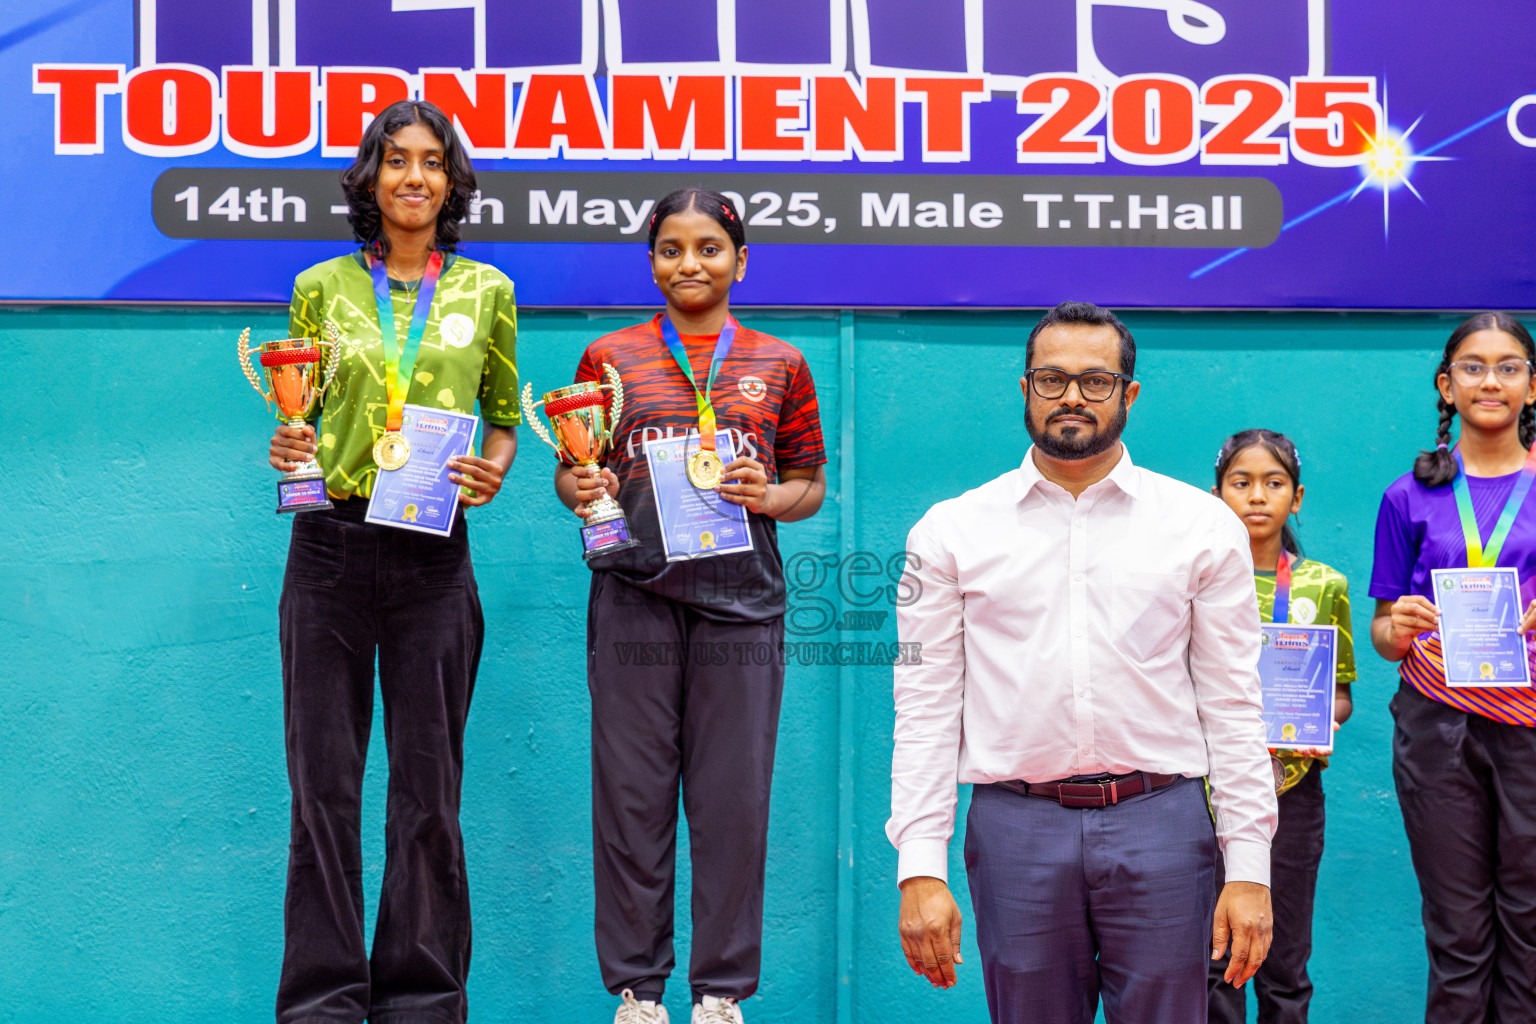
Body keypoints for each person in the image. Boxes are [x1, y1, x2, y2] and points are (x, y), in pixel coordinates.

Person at [889, 301, 1278, 1024]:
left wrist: (1249, 868)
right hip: (1015, 828)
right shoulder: (950, 530)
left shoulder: (1201, 526)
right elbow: (925, 706)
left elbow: (1233, 702)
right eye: (1051, 379)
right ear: (1024, 388)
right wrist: (920, 864)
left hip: (1162, 821)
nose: (1071, 396)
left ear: (1128, 395)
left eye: (1095, 381)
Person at [265, 99, 519, 1024]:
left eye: (433, 161)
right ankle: (324, 1003)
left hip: (432, 558)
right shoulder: (321, 286)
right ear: (371, 176)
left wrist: (491, 472)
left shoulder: (486, 289)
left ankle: (421, 1002)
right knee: (323, 791)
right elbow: (301, 410)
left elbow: (501, 415)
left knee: (427, 795)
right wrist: (289, 447)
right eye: (397, 159)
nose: (415, 176)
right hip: (328, 546)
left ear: (451, 182)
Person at [553, 188, 828, 1024]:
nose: (690, 264)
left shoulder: (781, 363)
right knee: (631, 801)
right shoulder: (609, 356)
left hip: (741, 608)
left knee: (732, 804)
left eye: (709, 248)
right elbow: (571, 472)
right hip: (633, 596)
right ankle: (639, 994)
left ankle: (719, 995)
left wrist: (768, 494)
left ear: (740, 261)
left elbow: (810, 486)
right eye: (671, 248)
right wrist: (582, 485)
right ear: (652, 263)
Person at [1370, 312, 1536, 1024]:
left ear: (1533, 385)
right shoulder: (1407, 496)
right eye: (1473, 365)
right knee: (1458, 930)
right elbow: (1381, 633)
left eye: (1508, 365)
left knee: (1531, 927)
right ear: (1447, 384)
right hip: (1436, 726)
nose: (1490, 379)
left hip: (1530, 724)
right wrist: (1397, 625)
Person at [1208, 429, 1356, 1024]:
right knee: (1215, 958)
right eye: (1240, 484)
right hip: (1207, 793)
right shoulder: (1194, 580)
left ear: (1297, 497)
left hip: (1292, 791)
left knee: (1286, 962)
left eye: (1273, 484)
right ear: (1216, 495)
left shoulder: (1324, 585)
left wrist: (1323, 719)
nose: (1257, 496)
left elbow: (1341, 694)